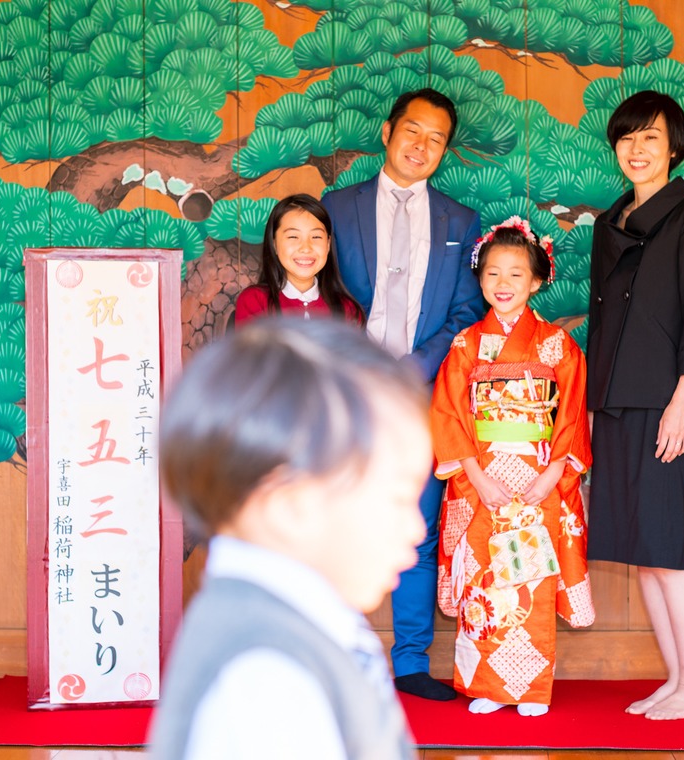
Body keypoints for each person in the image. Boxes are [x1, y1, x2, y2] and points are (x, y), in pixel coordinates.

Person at [150, 318, 430, 760]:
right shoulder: (265, 682)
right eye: (398, 497)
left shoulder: (309, 614)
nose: (417, 528)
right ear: (289, 506)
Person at [322, 87, 485, 701]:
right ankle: (333, 655)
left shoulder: (460, 220)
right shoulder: (336, 208)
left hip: (421, 398)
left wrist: (418, 365)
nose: (421, 145)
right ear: (387, 132)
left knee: (415, 530)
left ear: (445, 150)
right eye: (412, 131)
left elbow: (467, 310)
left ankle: (411, 662)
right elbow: (314, 286)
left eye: (436, 138)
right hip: (344, 398)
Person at [586, 90, 684, 721]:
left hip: (667, 400)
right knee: (644, 554)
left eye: (650, 138)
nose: (637, 150)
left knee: (669, 551)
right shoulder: (608, 223)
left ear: (675, 148)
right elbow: (601, 325)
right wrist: (592, 408)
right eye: (626, 138)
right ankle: (676, 679)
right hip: (616, 403)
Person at [430, 217, 594, 716]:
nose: (503, 285)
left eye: (516, 275)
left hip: (538, 474)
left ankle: (527, 688)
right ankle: (485, 687)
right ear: (480, 279)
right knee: (483, 576)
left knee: (530, 577)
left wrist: (550, 476)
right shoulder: (463, 347)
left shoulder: (557, 346)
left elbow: (570, 413)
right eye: (493, 274)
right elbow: (448, 414)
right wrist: (477, 476)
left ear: (537, 280)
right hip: (481, 479)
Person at [234, 194, 363, 326]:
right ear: (274, 244)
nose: (306, 248)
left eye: (316, 237)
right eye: (293, 237)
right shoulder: (255, 300)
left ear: (328, 244)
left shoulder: (348, 309)